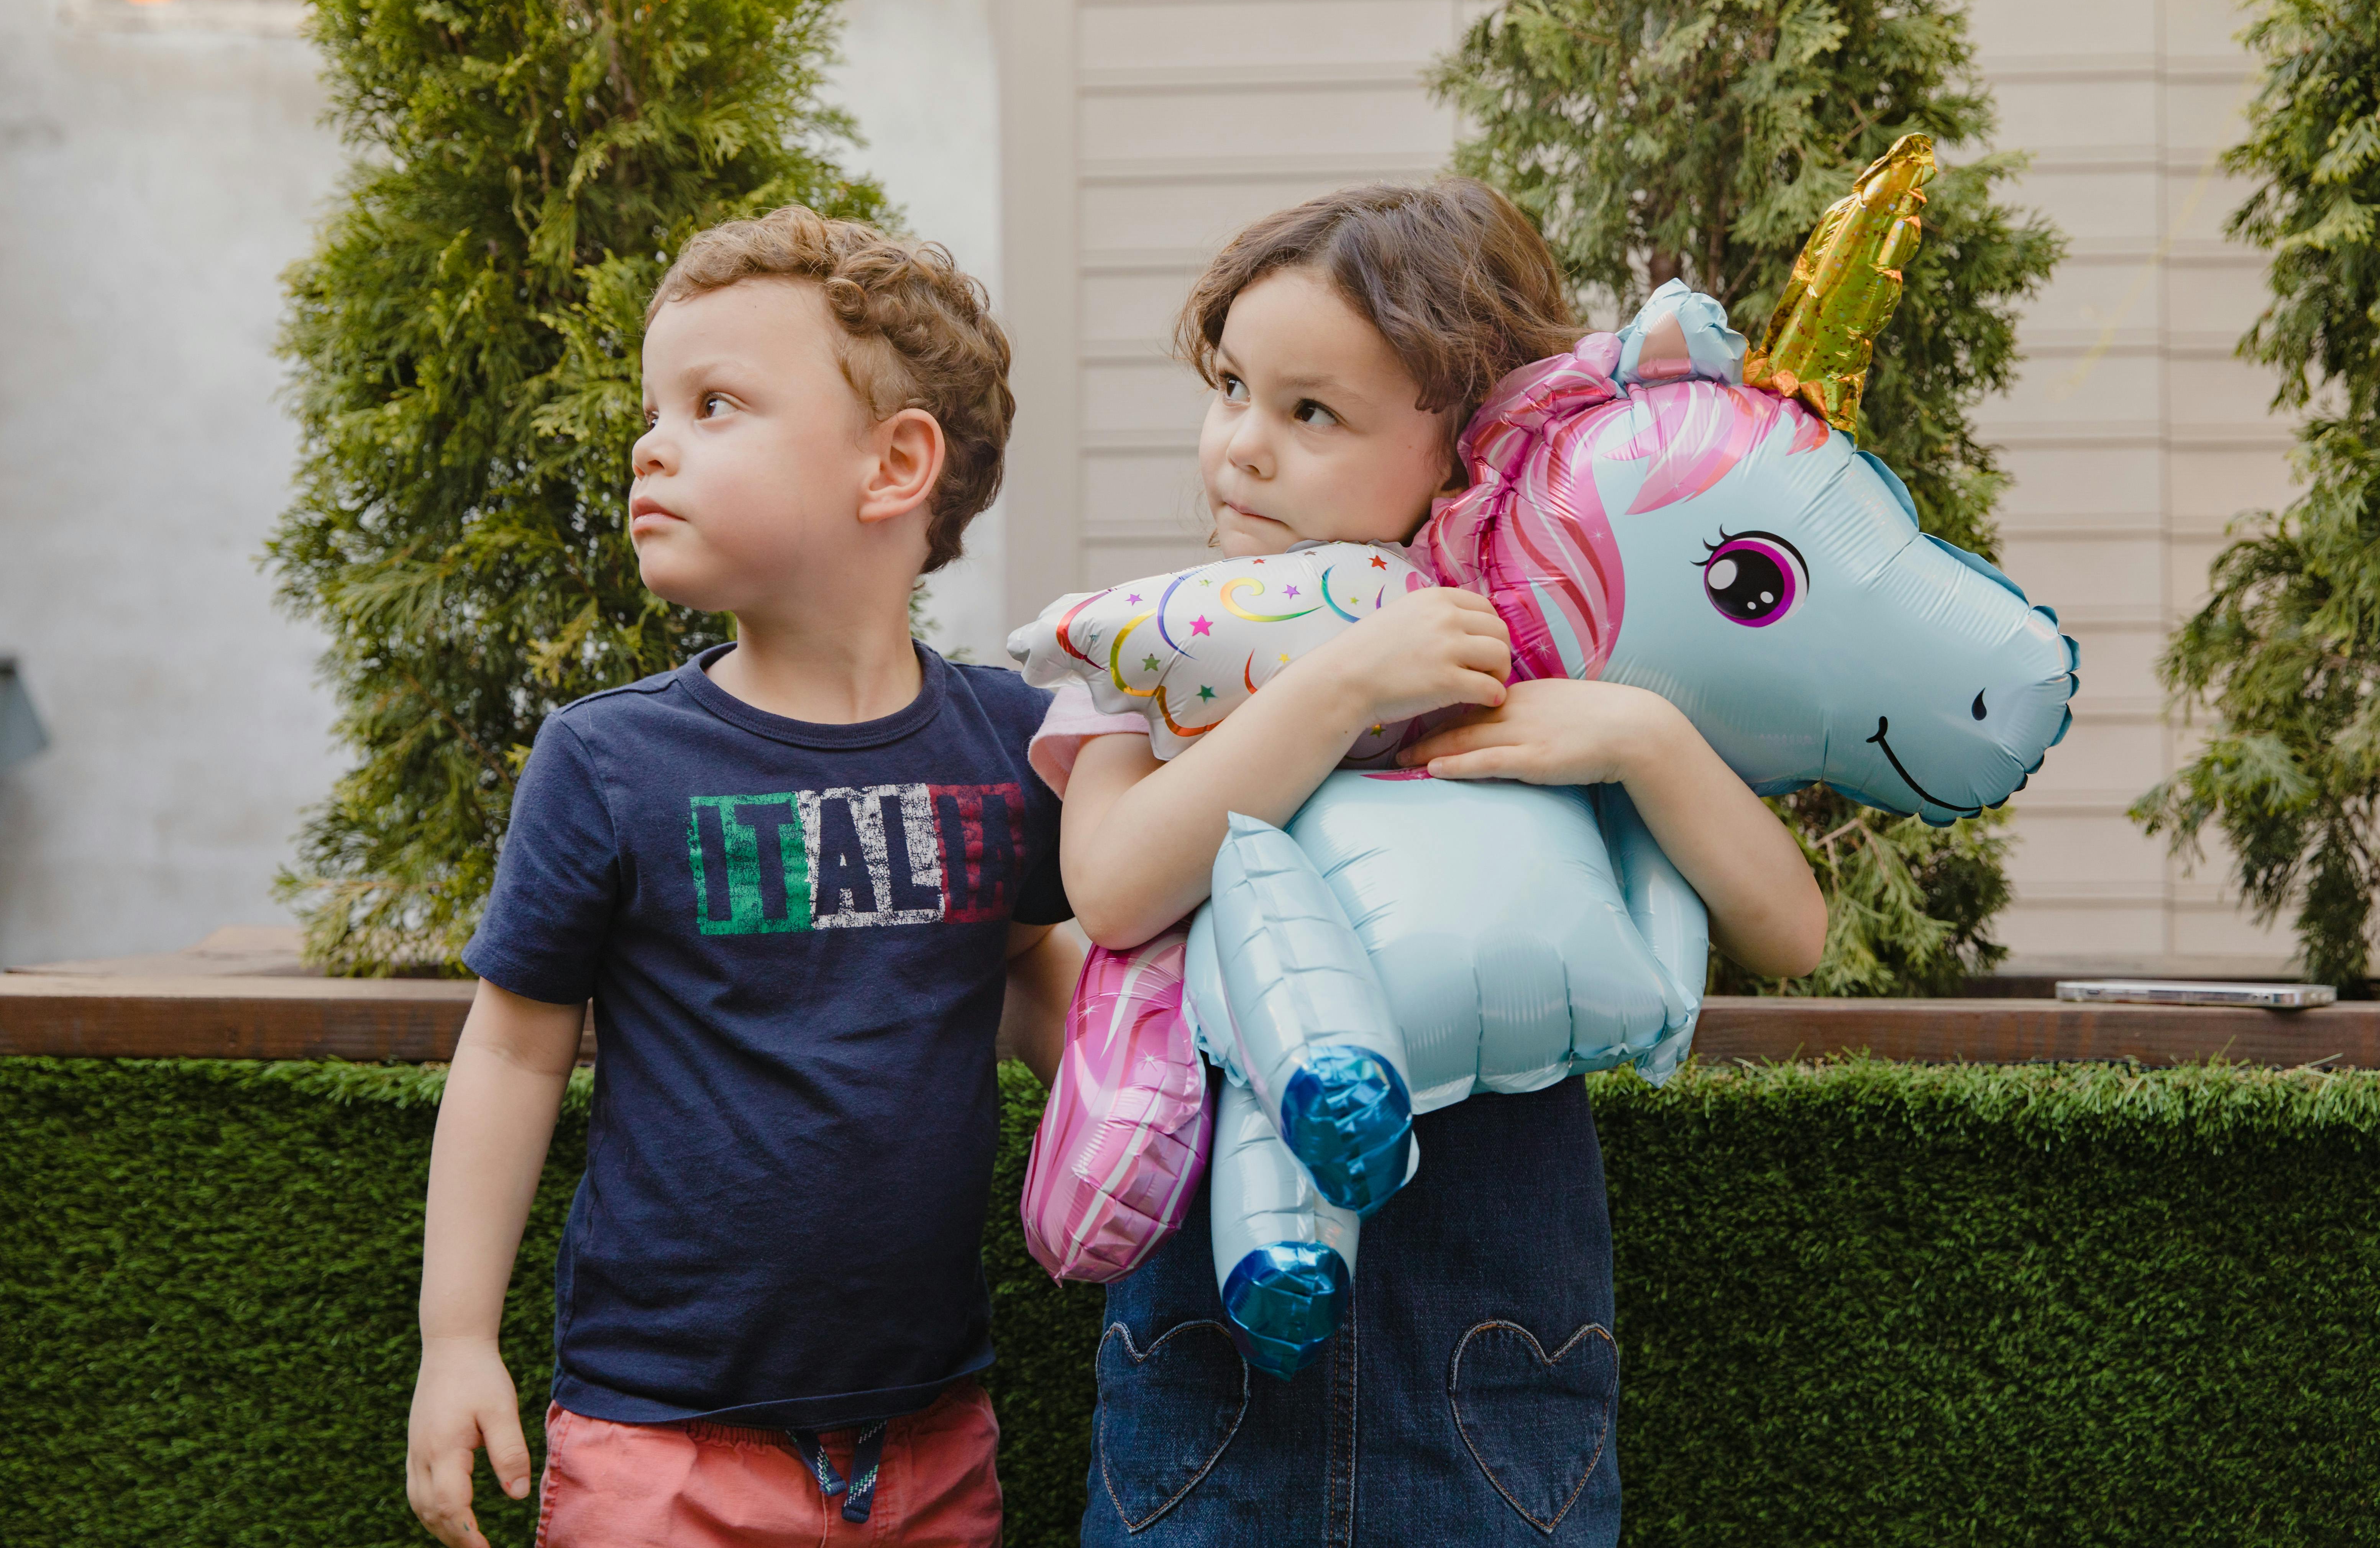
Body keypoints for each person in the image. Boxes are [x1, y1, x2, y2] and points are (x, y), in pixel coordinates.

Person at [1035, 180, 1828, 1546]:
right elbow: (1114, 883)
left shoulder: (1553, 664)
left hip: (1492, 1378)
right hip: (1210, 1380)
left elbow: (1789, 929)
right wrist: (1338, 691)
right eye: (1231, 387)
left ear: (1469, 448)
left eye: (1311, 412)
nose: (1242, 448)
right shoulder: (1148, 650)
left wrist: (1643, 738)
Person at [403, 205, 1083, 1548]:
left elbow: (1024, 961)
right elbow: (515, 1052)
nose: (650, 444)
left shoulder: (1013, 743)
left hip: (934, 1430)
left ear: (894, 464)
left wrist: (1142, 1133)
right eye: (651, 409)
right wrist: (456, 1338)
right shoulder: (609, 759)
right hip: (660, 1440)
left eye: (714, 404)